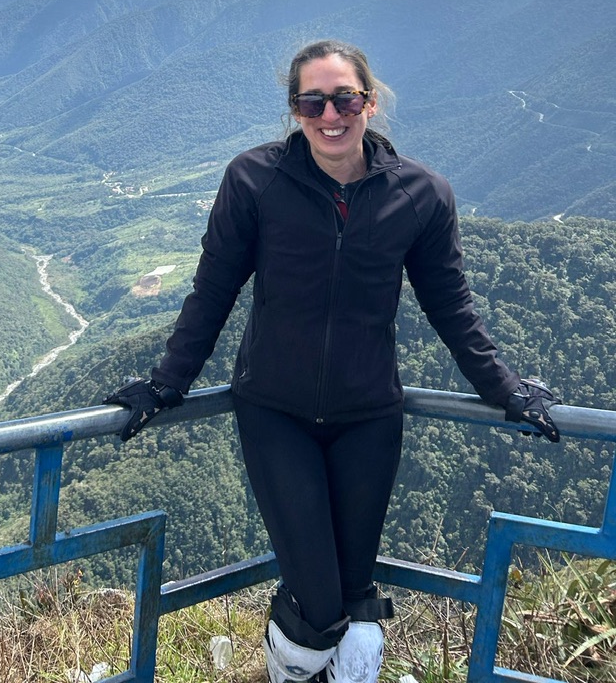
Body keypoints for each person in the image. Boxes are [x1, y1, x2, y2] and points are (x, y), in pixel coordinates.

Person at [105, 39, 560, 683]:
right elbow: (213, 289)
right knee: (318, 605)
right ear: (294, 109)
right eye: (311, 101)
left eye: (344, 98)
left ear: (369, 102)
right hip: (274, 412)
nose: (329, 115)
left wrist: (507, 390)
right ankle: (289, 665)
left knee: (352, 599)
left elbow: (451, 307)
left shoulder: (422, 195)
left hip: (370, 419)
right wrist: (165, 383)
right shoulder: (253, 180)